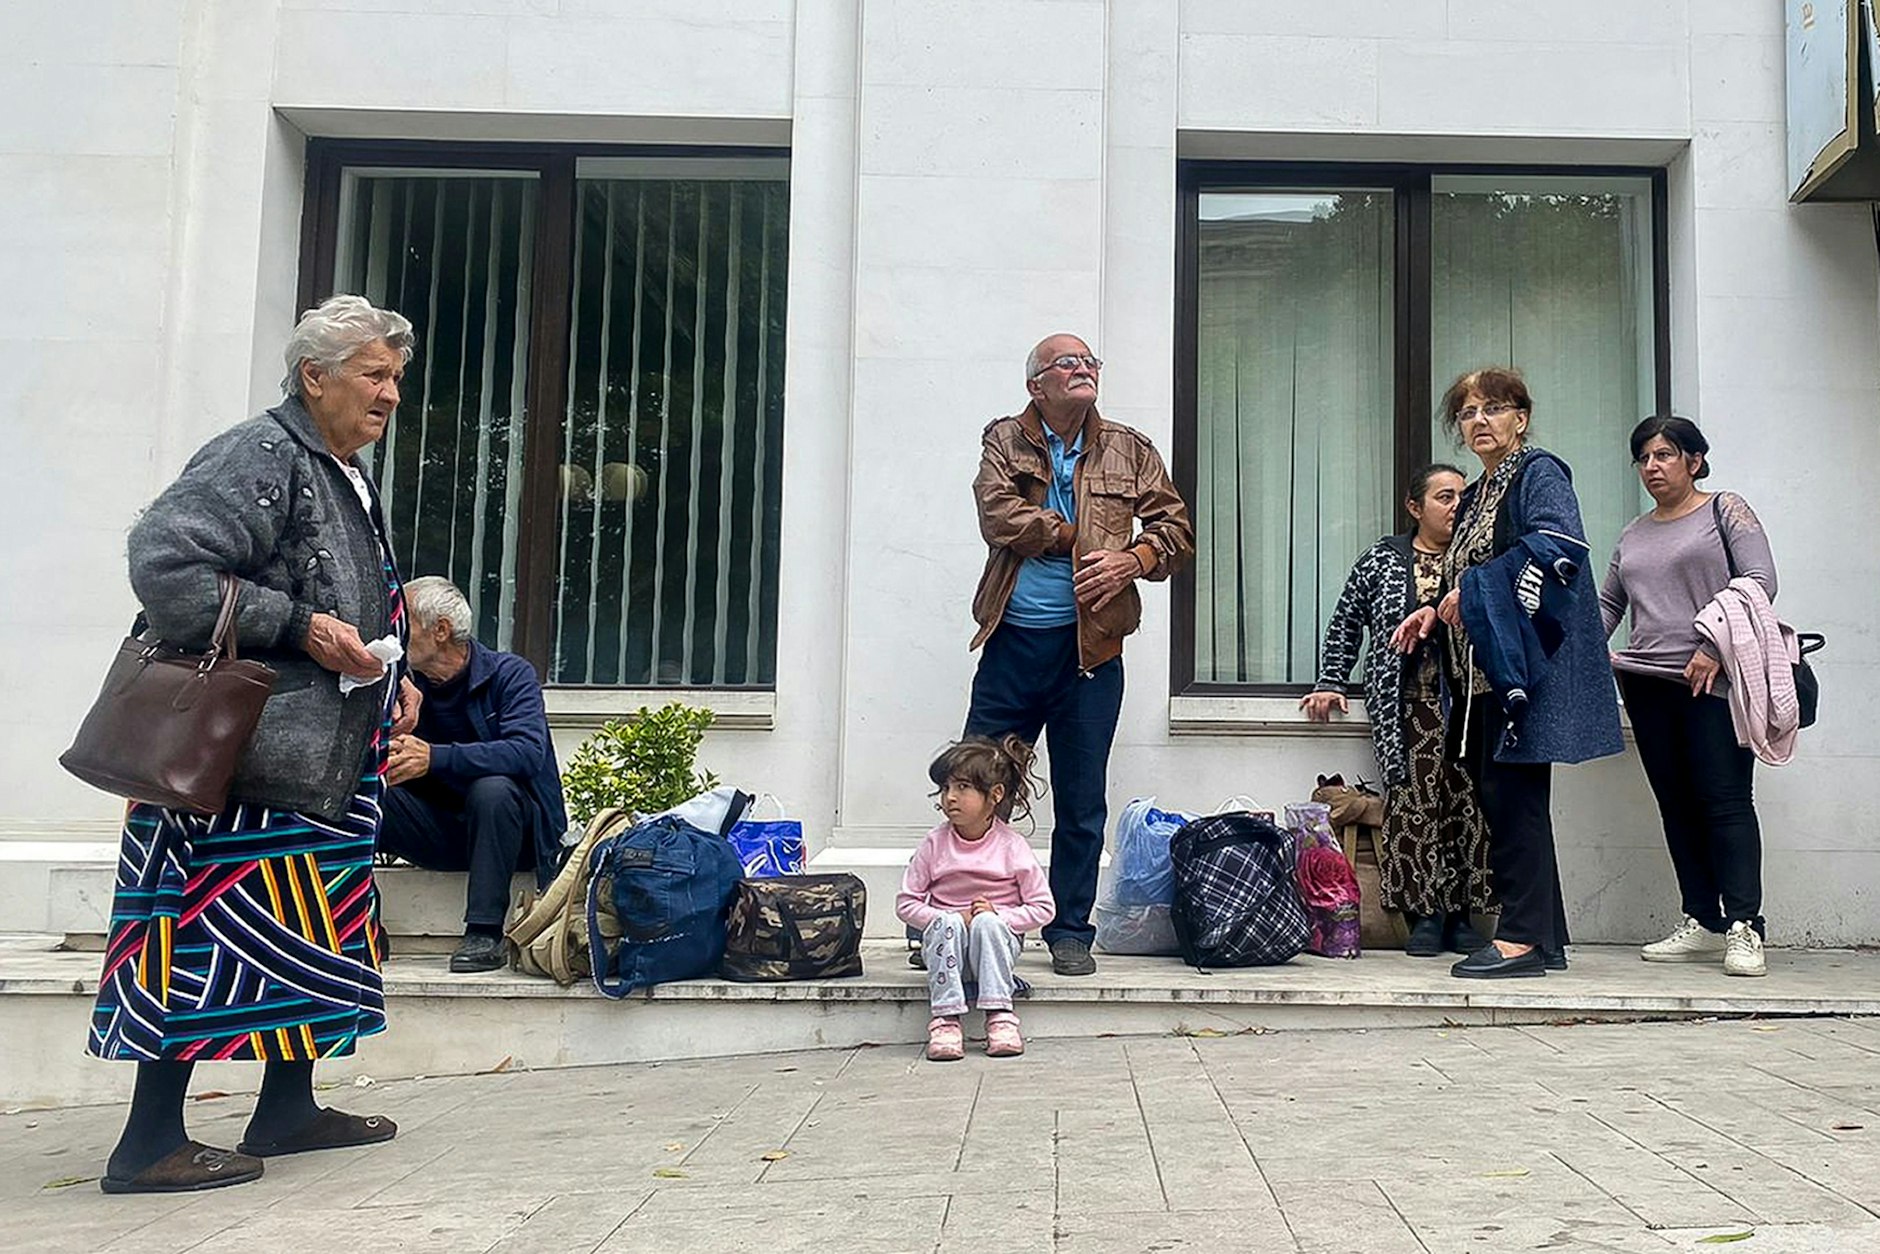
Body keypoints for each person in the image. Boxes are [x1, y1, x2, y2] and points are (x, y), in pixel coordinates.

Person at [88, 295, 418, 1193]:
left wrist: (394, 678)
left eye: (396, 378)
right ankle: (149, 1143)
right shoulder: (261, 453)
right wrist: (304, 626)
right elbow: (167, 565)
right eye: (373, 375)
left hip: (315, 760)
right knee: (195, 938)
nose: (391, 394)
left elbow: (355, 592)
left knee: (316, 933)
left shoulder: (340, 464)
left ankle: (288, 1109)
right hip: (238, 766)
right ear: (314, 376)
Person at [965, 333, 1194, 977]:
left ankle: (1069, 930)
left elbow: (1176, 531)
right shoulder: (1006, 439)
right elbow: (999, 516)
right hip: (1013, 644)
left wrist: (1134, 558)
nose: (1084, 368)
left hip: (1091, 654)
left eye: (1091, 361)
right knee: (982, 786)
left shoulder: (1130, 446)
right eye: (1068, 363)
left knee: (1081, 797)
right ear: (1037, 383)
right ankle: (970, 918)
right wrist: (1079, 538)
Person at [1391, 367, 1623, 979]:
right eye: (1468, 413)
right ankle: (1547, 937)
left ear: (1521, 417)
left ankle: (1520, 940)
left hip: (1523, 668)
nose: (1480, 421)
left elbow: (1558, 547)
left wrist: (1469, 590)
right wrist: (1430, 616)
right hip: (1477, 673)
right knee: (1505, 799)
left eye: (1494, 408)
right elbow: (1460, 577)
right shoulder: (1475, 494)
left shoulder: (1538, 473)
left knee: (1515, 799)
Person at [1600, 416, 1775, 977]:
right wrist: (1583, 656)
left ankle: (1746, 927)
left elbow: (1760, 579)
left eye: (1664, 455)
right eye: (1644, 459)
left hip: (1712, 681)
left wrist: (1714, 645)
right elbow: (1608, 607)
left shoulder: (1726, 510)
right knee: (1676, 805)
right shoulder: (1632, 534)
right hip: (1648, 684)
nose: (1652, 467)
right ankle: (1702, 920)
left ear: (1694, 460)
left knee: (1724, 802)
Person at [1303, 464, 1493, 956]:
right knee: (1412, 808)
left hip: (1469, 705)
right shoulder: (1383, 561)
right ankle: (1424, 915)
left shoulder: (1475, 559)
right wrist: (1331, 680)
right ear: (1415, 507)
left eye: (1462, 498)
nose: (1456, 507)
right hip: (1406, 706)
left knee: (1467, 808)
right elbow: (1347, 621)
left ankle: (1460, 916)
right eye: (1444, 498)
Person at [377, 576, 570, 973]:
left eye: (405, 620)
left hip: (514, 836)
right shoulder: (401, 686)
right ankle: (359, 920)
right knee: (366, 787)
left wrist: (435, 757)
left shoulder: (509, 674)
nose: (393, 630)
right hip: (440, 833)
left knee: (493, 789)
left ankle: (484, 932)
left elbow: (527, 753)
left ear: (441, 630)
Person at [897, 736, 1057, 1061]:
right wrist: (949, 917)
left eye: (963, 788)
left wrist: (1000, 915)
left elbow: (1043, 908)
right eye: (946, 788)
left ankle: (1000, 1015)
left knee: (986, 923)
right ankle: (945, 1019)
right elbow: (906, 903)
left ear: (994, 795)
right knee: (947, 923)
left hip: (994, 949)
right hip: (945, 948)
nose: (950, 798)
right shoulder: (934, 844)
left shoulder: (1011, 846)